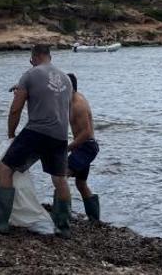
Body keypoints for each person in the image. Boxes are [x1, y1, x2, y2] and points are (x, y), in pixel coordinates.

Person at [0, 44, 74, 237]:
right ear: (49, 56)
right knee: (60, 179)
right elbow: (61, 106)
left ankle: (0, 222)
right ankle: (64, 227)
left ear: (34, 57)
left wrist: (11, 133)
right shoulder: (66, 79)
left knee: (5, 168)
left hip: (37, 130)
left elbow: (16, 107)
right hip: (60, 135)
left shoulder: (30, 74)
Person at [66, 73, 100, 222]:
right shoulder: (72, 99)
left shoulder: (78, 104)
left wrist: (68, 148)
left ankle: (61, 215)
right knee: (80, 183)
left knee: (61, 174)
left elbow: (86, 133)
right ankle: (94, 219)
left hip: (86, 147)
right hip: (83, 147)